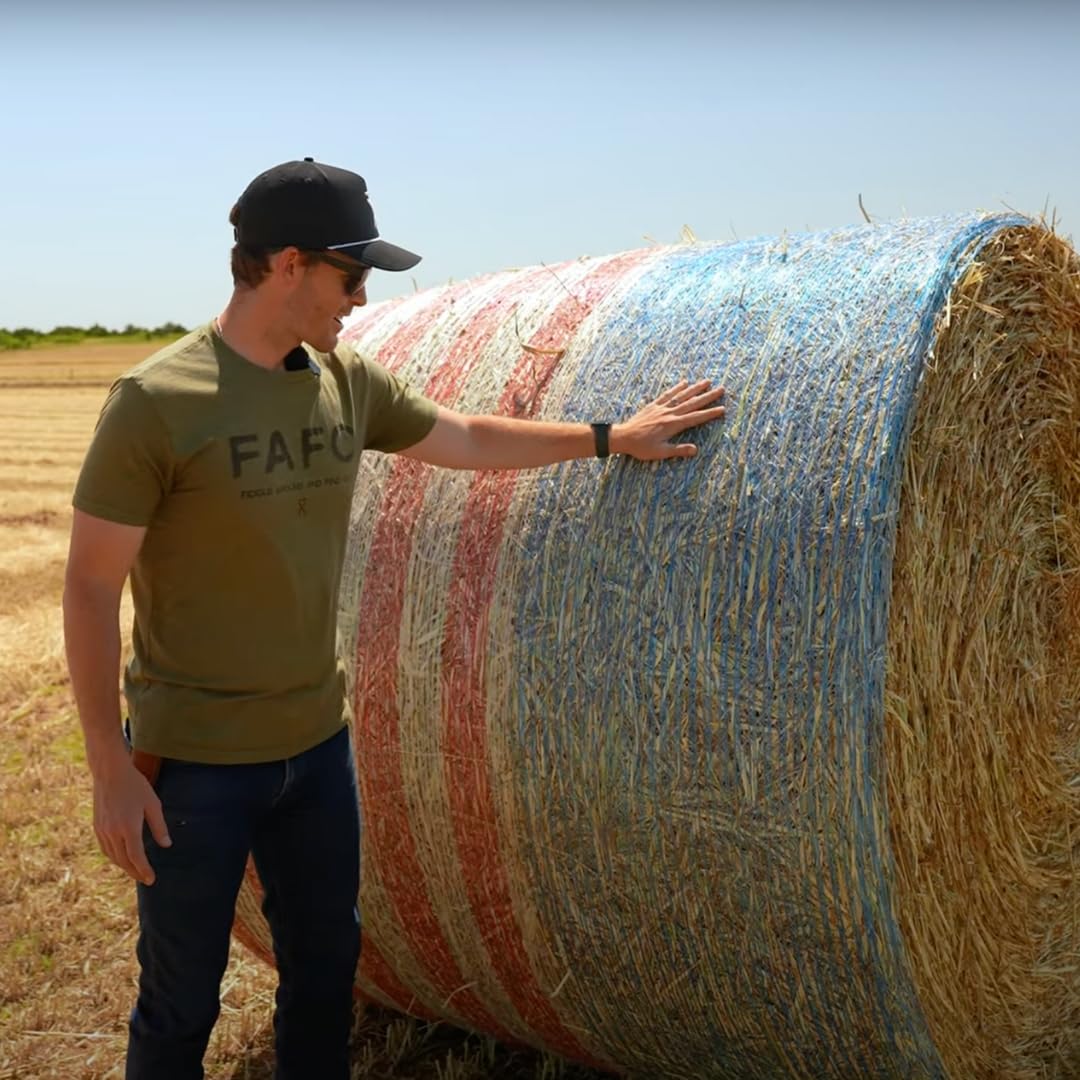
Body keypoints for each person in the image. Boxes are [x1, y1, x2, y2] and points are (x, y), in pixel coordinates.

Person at [62, 157, 726, 1080]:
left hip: (316, 753)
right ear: (287, 264)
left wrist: (612, 436)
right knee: (181, 1002)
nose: (362, 298)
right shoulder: (157, 402)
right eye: (350, 274)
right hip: (194, 766)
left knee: (327, 975)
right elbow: (91, 587)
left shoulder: (346, 379)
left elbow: (460, 435)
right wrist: (109, 770)